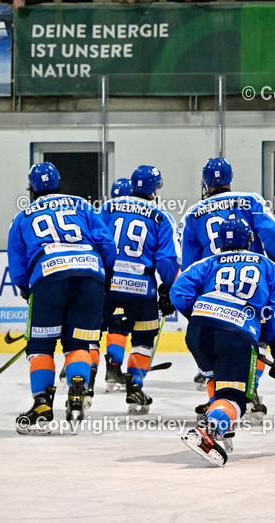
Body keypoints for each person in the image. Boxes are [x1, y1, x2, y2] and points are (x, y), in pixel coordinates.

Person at [173, 218, 275, 466]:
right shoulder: (268, 266)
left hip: (199, 331)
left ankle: (220, 422)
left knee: (215, 378)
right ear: (249, 241)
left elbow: (178, 291)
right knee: (237, 398)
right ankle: (210, 429)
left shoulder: (206, 262)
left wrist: (199, 315)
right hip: (237, 334)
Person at [7, 162, 116, 434]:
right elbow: (106, 243)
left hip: (48, 277)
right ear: (60, 183)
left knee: (40, 347)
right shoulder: (82, 205)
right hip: (90, 275)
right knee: (79, 342)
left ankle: (42, 408)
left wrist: (27, 290)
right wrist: (105, 274)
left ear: (31, 189)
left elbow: (18, 267)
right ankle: (77, 390)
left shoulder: (21, 217)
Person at [180, 157, 275, 413]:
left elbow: (188, 261)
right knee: (257, 338)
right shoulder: (251, 200)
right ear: (230, 178)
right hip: (252, 283)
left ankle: (219, 399)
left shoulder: (194, 212)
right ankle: (248, 388)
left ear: (205, 183)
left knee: (217, 342)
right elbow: (270, 232)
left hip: (214, 284)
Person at [99, 165, 181, 413]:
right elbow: (167, 260)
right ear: (155, 189)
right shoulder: (161, 216)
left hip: (107, 284)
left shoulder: (107, 207)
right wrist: (168, 288)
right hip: (142, 289)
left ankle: (81, 388)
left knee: (89, 335)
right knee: (143, 339)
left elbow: (94, 242)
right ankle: (135, 387)